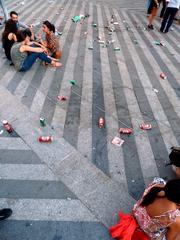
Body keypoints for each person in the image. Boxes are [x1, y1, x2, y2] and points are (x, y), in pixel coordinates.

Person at [109, 178, 180, 240]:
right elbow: (170, 238)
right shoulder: (173, 217)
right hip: (147, 230)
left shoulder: (157, 184)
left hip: (137, 214)